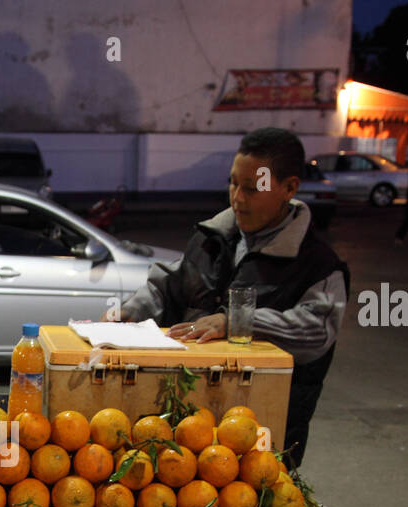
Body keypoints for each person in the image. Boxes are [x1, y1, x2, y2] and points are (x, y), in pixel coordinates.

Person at [114, 128, 349, 469]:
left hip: (260, 442)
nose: (237, 198)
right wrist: (127, 314)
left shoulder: (318, 265)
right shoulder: (212, 238)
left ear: (290, 188)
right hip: (184, 434)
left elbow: (317, 329)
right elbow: (168, 285)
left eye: (252, 189)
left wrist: (236, 323)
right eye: (233, 183)